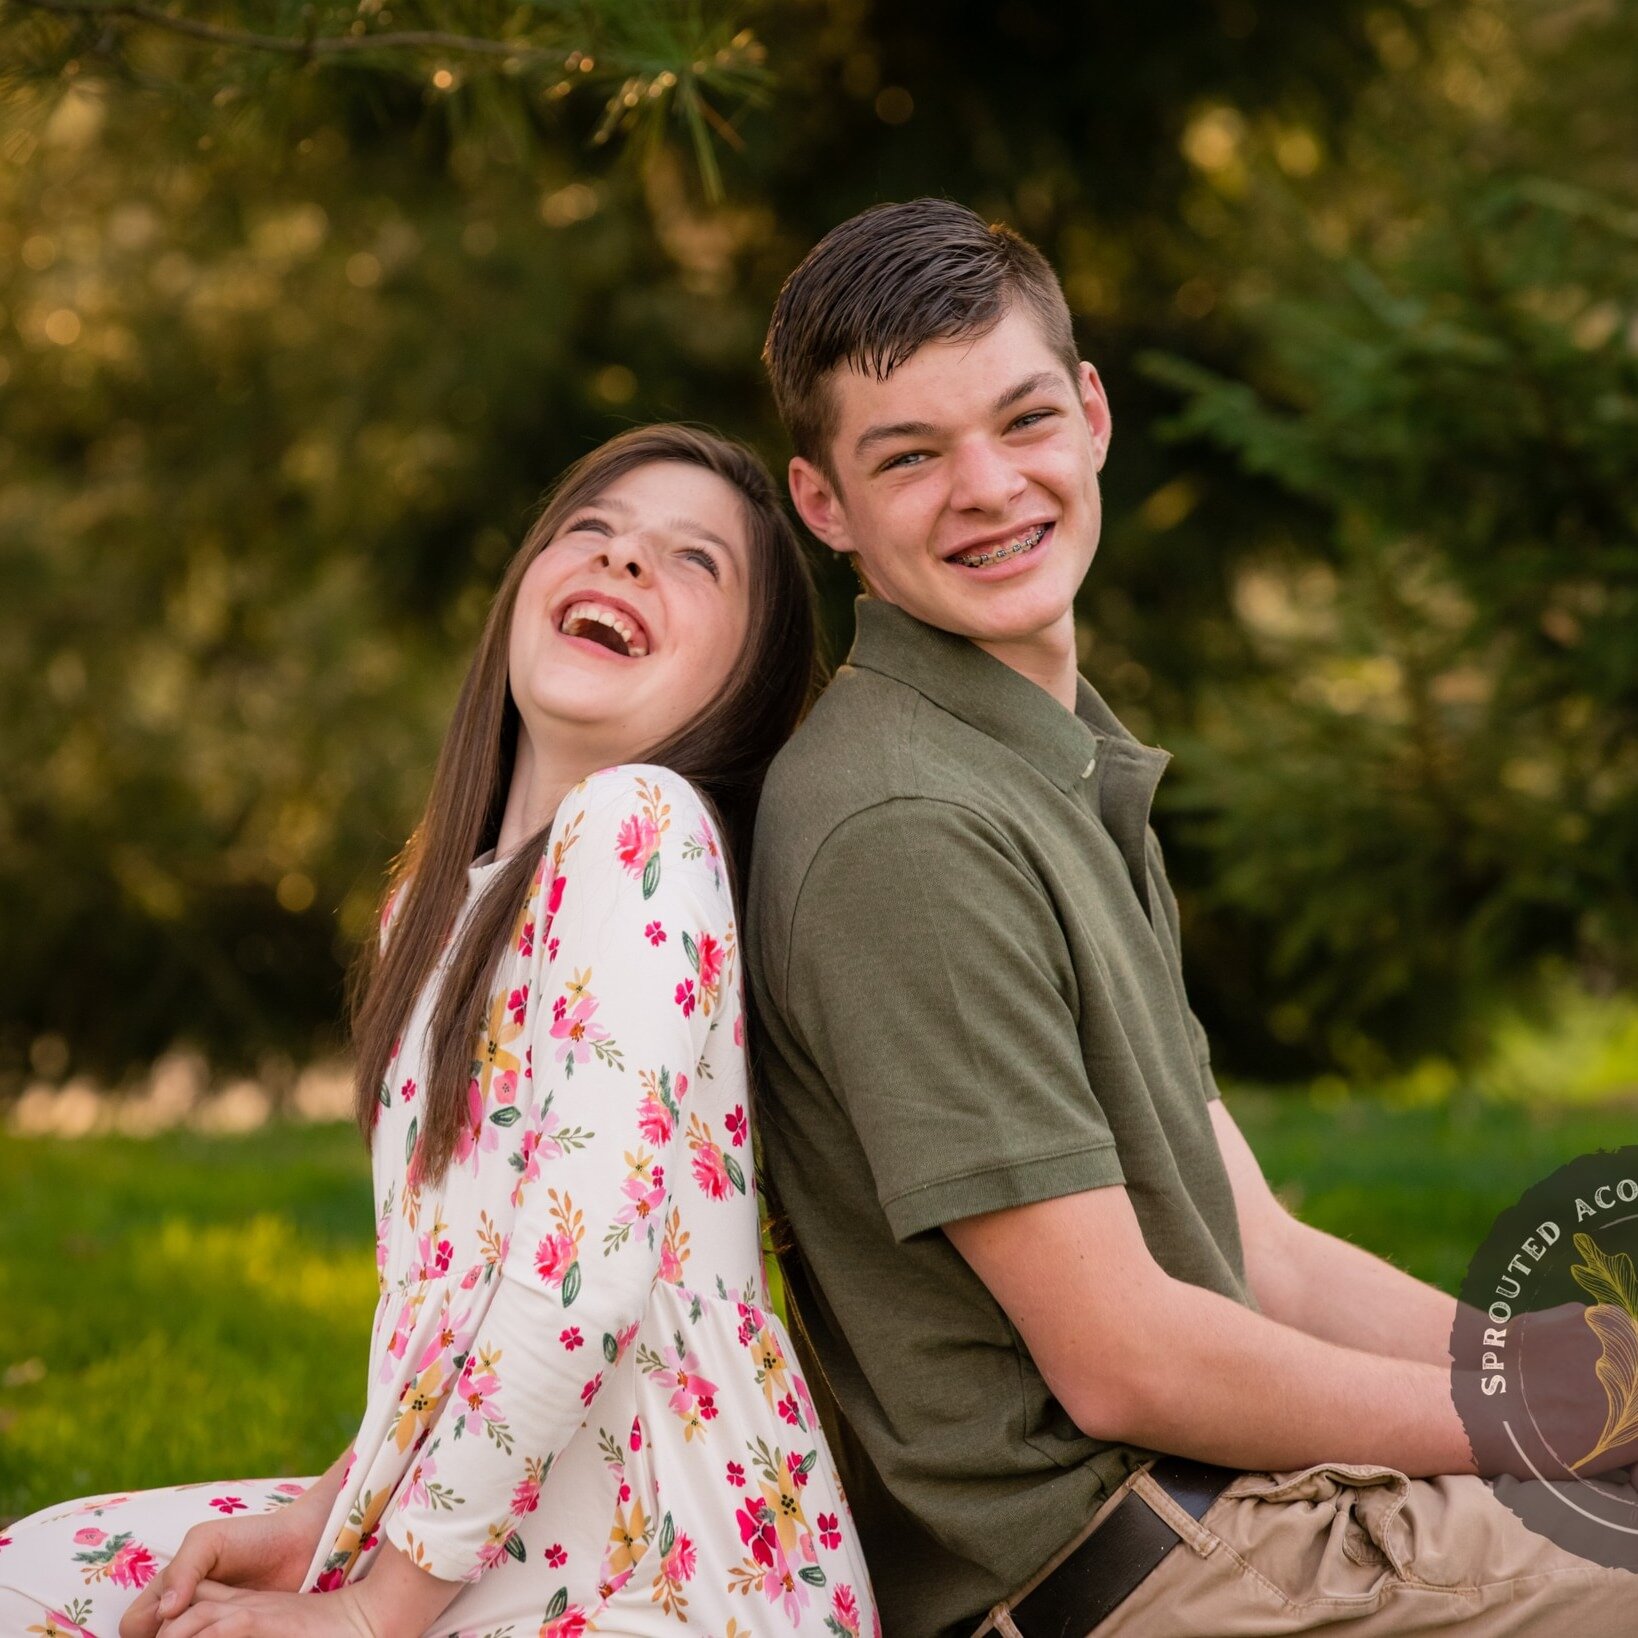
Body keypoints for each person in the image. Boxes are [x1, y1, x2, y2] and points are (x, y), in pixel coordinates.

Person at [745, 199, 1637, 1637]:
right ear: (823, 504)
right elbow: (1123, 1360)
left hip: (1235, 1520)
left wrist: (1576, 1375)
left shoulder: (1037, 760)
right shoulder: (903, 827)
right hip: (1144, 1577)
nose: (985, 486)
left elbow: (1258, 1250)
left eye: (1020, 419)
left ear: (1091, 415)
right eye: (907, 456)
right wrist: (1542, 1426)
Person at [0, 425, 877, 1638]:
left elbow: (578, 1283)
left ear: (748, 681)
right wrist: (319, 1517)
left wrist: (369, 1615)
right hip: (479, 1539)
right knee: (37, 1568)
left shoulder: (646, 826)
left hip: (668, 1564)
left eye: (692, 561)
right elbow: (444, 1312)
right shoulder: (433, 909)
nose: (625, 563)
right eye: (595, 530)